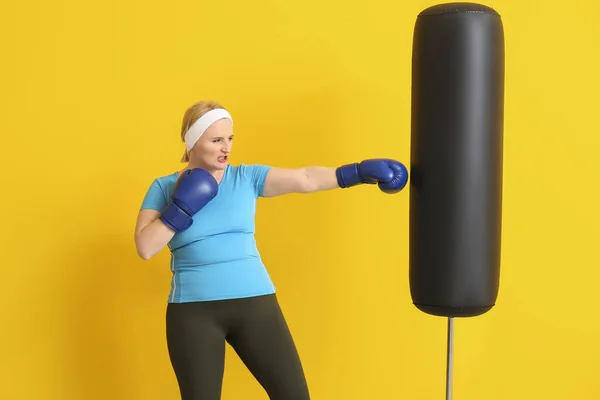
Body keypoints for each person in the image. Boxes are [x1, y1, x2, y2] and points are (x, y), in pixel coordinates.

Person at [134, 100, 408, 400]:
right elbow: (146, 247)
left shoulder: (245, 178)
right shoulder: (164, 187)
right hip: (193, 313)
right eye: (216, 140)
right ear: (192, 141)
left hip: (255, 304)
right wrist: (181, 207)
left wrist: (356, 173)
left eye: (230, 138)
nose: (226, 147)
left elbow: (304, 178)